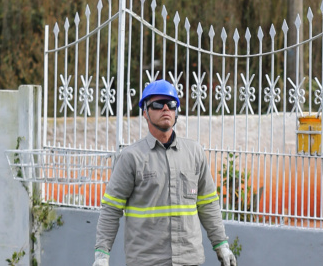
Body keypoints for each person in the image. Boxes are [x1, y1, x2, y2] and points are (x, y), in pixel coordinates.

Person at [92, 79, 237, 266]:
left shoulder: (194, 153)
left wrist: (221, 245)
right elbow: (111, 209)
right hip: (147, 260)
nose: (166, 109)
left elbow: (208, 204)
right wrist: (102, 255)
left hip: (188, 259)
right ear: (145, 112)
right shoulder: (131, 158)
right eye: (158, 104)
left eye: (171, 104)